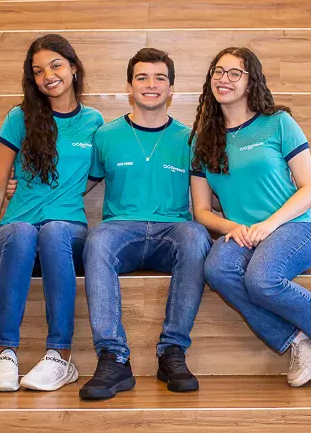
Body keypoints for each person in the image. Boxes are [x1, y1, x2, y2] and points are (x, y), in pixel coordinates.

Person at [189, 47, 311, 388]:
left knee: (261, 280)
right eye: (218, 71)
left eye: (235, 73)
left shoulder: (278, 123)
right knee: (217, 270)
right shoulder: (202, 141)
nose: (224, 79)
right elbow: (201, 210)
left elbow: (310, 188)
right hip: (244, 234)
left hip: (292, 228)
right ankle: (298, 341)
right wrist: (236, 227)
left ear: (251, 81)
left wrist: (268, 224)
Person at [0, 34, 104, 392]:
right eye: (38, 70)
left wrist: (62, 193)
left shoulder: (94, 121)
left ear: (73, 68)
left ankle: (59, 357)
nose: (48, 76)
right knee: (25, 231)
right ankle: (5, 355)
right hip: (18, 232)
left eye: (55, 65)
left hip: (67, 234)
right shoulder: (19, 118)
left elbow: (93, 176)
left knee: (54, 230)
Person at [78, 48, 212, 400]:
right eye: (142, 77)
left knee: (196, 236)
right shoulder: (106, 135)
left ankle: (172, 352)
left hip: (173, 232)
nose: (151, 84)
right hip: (121, 231)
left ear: (171, 89)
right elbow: (79, 185)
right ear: (129, 86)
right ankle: (114, 358)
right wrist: (26, 187)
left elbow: (214, 193)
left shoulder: (190, 139)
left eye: (159, 78)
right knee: (97, 240)